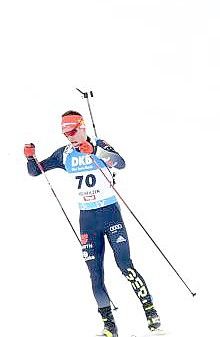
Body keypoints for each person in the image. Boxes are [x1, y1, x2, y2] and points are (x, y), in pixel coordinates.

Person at [25, 111, 161, 337]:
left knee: (124, 265)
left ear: (82, 126)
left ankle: (151, 313)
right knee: (95, 275)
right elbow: (35, 172)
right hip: (87, 220)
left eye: (73, 131)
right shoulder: (64, 154)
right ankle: (109, 325)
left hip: (110, 214)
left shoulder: (99, 143)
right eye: (65, 132)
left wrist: (95, 151)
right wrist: (30, 158)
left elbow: (121, 163)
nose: (70, 136)